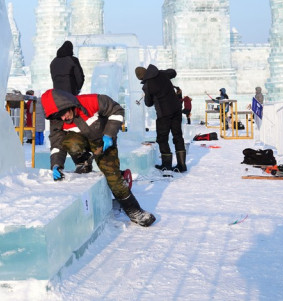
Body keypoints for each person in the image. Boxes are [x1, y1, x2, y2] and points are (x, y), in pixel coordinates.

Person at [41, 88, 155, 227]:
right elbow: (57, 145)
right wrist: (56, 165)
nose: (63, 118)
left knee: (113, 177)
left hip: (103, 140)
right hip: (81, 141)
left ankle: (135, 212)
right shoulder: (57, 120)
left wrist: (109, 134)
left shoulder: (91, 101)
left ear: (68, 104)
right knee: (70, 143)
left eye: (63, 113)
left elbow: (117, 111)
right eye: (59, 116)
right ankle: (83, 162)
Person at [137, 65, 187, 173]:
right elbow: (173, 72)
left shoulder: (147, 85)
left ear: (141, 78)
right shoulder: (161, 73)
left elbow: (148, 103)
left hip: (164, 114)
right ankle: (182, 165)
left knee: (162, 138)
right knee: (177, 135)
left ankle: (166, 165)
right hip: (176, 109)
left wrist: (147, 94)